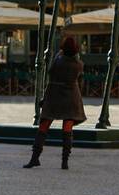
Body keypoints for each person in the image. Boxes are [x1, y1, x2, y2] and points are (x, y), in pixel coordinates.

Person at [24, 35, 86, 170]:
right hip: (71, 97)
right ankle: (65, 161)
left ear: (63, 49)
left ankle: (35, 158)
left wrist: (59, 54)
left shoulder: (58, 61)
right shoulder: (78, 64)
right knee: (67, 129)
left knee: (43, 127)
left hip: (54, 95)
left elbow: (50, 71)